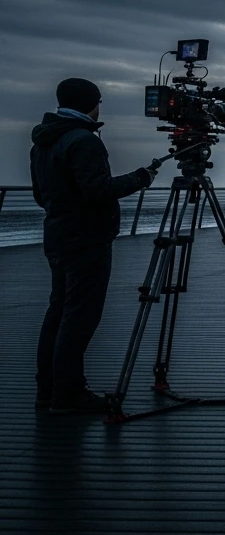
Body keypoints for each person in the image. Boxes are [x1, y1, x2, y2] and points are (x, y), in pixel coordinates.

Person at [31, 78, 158, 413]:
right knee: (79, 318)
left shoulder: (44, 141)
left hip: (57, 236)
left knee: (58, 313)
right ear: (92, 102)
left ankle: (48, 391)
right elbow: (97, 190)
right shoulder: (84, 141)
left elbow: (40, 196)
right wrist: (139, 179)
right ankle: (69, 394)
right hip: (86, 240)